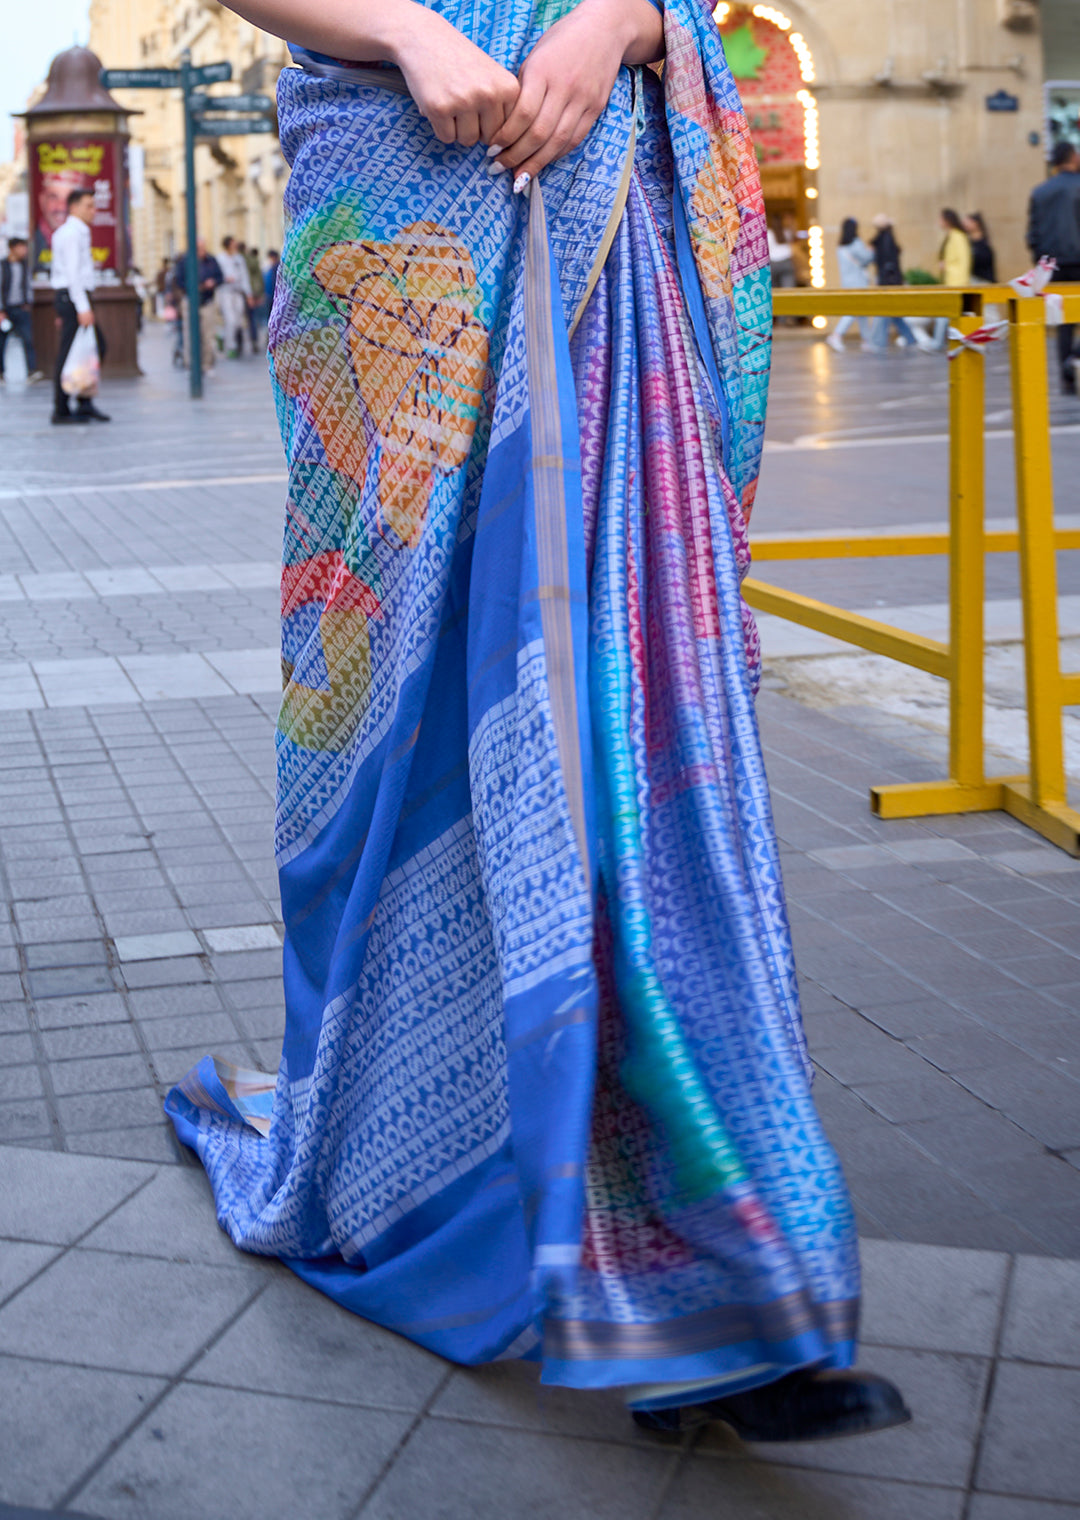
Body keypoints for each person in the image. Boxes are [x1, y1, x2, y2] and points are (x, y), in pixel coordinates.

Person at [164, 0, 909, 1447]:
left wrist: (625, 22)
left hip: (609, 197)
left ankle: (742, 1263)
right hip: (397, 212)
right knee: (414, 722)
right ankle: (411, 1168)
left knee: (638, 708)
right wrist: (403, 35)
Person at [49, 188, 109, 425]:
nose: (93, 211)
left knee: (90, 351)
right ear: (73, 207)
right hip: (73, 297)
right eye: (88, 206)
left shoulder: (78, 232)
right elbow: (73, 274)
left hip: (74, 297)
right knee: (72, 353)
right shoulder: (72, 233)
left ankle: (84, 403)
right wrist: (82, 306)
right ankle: (61, 409)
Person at [1027, 141, 1080, 394]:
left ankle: (1067, 376)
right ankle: (1075, 359)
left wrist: (1041, 262)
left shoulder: (1040, 192)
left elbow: (1033, 233)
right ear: (1073, 157)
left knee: (1063, 321)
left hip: (1053, 265)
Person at [868, 213, 917, 351]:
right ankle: (911, 339)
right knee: (895, 315)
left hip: (888, 282)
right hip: (891, 280)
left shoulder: (886, 239)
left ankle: (881, 342)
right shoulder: (886, 238)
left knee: (886, 312)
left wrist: (884, 281)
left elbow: (887, 262)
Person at [925, 208, 972, 351]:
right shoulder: (952, 236)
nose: (938, 222)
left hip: (956, 281)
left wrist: (960, 280)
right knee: (947, 316)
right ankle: (940, 342)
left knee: (947, 315)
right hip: (951, 280)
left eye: (940, 219)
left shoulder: (958, 236)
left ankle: (938, 343)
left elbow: (964, 261)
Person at [0, 237, 45, 385]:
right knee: (2, 342)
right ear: (12, 248)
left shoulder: (25, 266)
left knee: (28, 340)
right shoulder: (3, 266)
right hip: (6, 310)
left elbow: (27, 286)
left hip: (21, 308)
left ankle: (31, 372)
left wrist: (28, 303)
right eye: (21, 247)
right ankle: (1, 373)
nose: (24, 251)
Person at [174, 239, 223, 372]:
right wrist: (194, 286)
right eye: (199, 248)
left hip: (207, 301)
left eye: (203, 248)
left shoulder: (211, 260)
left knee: (208, 335)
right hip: (191, 300)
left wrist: (213, 282)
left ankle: (207, 364)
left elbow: (220, 277)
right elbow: (179, 280)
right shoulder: (184, 261)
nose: (202, 251)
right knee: (189, 334)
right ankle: (190, 364)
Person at [827, 218, 874, 351]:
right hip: (858, 283)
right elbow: (866, 258)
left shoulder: (841, 246)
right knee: (853, 311)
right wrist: (871, 250)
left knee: (861, 312)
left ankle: (867, 340)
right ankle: (836, 335)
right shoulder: (856, 243)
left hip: (847, 283)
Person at [218, 236, 253, 357]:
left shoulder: (239, 258)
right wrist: (225, 279)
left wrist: (249, 294)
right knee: (230, 320)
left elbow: (245, 277)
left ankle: (222, 335)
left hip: (238, 292)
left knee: (238, 321)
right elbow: (218, 275)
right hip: (226, 292)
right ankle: (231, 347)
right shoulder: (220, 258)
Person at [965, 212, 996, 284]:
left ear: (976, 223)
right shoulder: (968, 242)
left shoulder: (983, 244)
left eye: (968, 222)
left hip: (983, 280)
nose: (965, 225)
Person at [242, 241, 264, 342]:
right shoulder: (252, 260)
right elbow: (259, 278)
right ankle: (254, 339)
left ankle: (242, 342)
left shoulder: (241, 260)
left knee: (247, 317)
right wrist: (260, 293)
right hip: (253, 291)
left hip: (246, 292)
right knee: (252, 317)